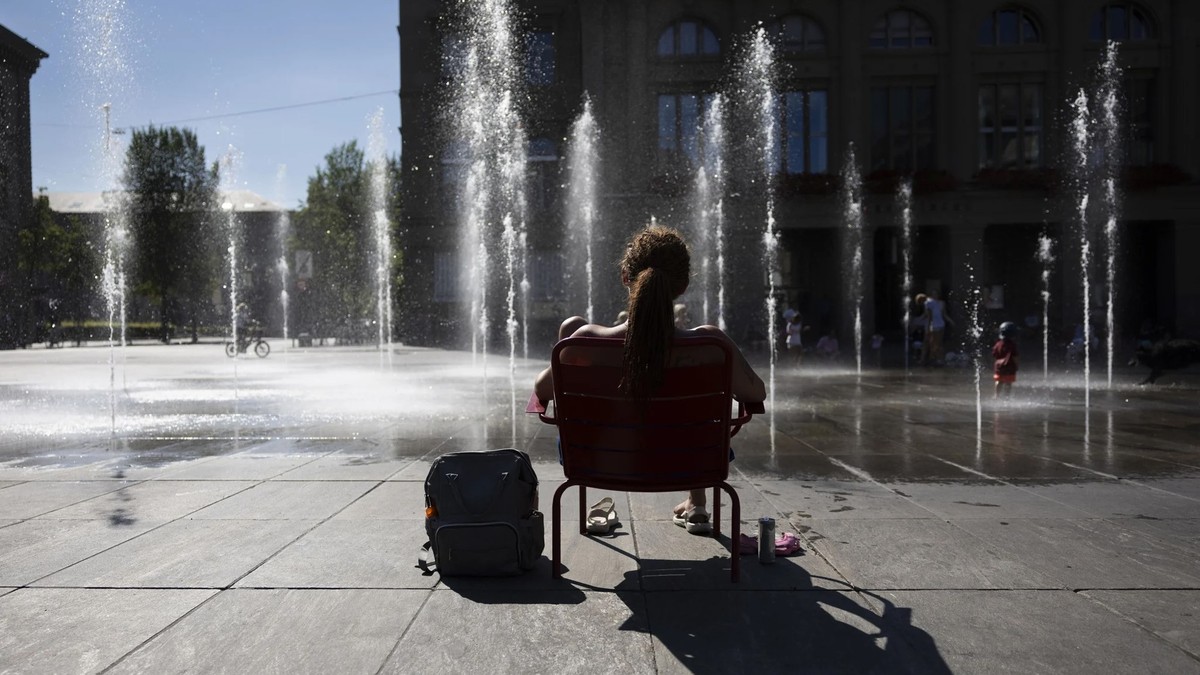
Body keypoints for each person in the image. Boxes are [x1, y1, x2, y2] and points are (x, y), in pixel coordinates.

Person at [534, 225, 765, 535]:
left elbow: (541, 391)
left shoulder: (585, 342)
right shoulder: (711, 346)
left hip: (600, 461)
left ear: (625, 277)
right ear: (683, 286)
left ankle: (690, 502)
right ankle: (697, 502)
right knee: (691, 424)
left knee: (571, 327)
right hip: (692, 463)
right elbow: (756, 393)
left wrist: (570, 343)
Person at [916, 291, 953, 366]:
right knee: (935, 343)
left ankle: (935, 359)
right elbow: (928, 315)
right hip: (938, 325)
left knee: (934, 343)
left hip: (935, 325)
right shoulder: (931, 303)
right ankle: (936, 359)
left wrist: (928, 327)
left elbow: (930, 316)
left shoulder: (929, 303)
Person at [993, 321, 1019, 398]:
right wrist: (1017, 365)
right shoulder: (1012, 345)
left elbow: (994, 354)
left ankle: (996, 395)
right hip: (1010, 366)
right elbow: (1015, 356)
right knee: (1008, 382)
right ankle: (1007, 396)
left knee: (999, 381)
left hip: (999, 366)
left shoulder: (998, 344)